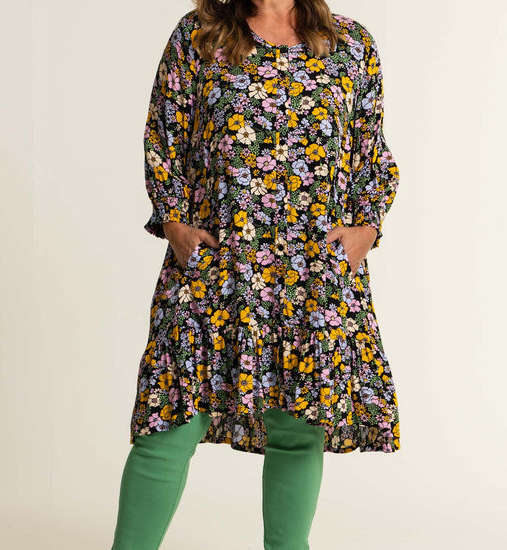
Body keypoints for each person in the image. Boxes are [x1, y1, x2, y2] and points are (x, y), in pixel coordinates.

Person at [111, 0, 401, 548]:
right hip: (218, 262)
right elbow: (163, 136)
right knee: (170, 419)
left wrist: (367, 226)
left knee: (297, 429)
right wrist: (173, 222)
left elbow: (370, 149)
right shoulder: (200, 34)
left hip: (313, 270)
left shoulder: (350, 43)